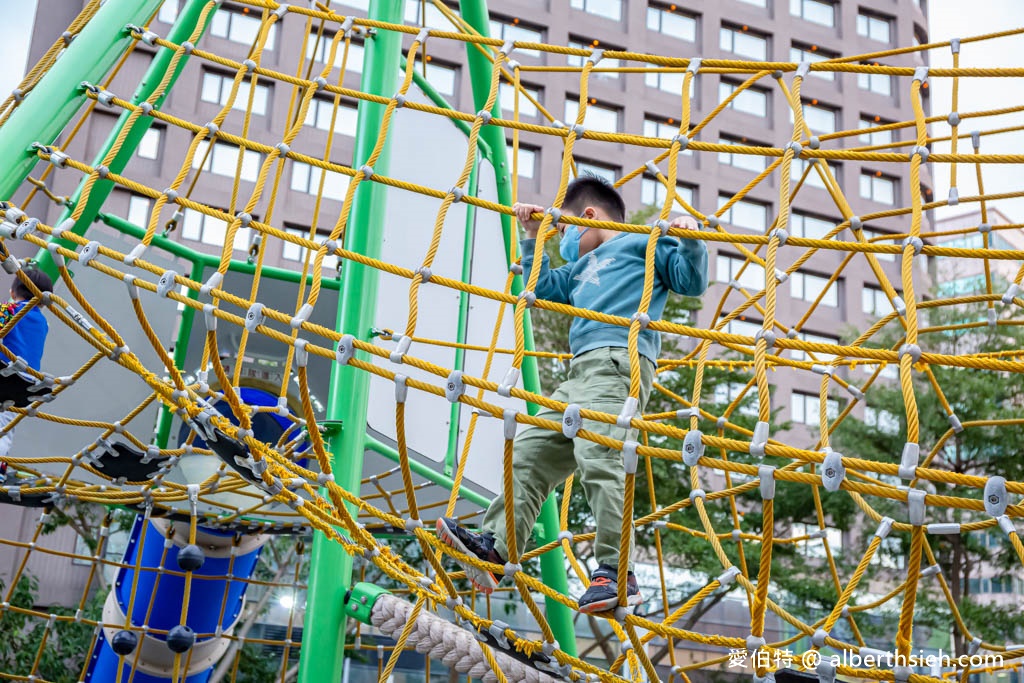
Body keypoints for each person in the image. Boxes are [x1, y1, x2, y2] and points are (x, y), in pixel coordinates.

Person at [437, 174, 708, 614]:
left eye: (562, 231)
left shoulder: (641, 244)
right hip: (578, 373)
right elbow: (540, 289)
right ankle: (497, 547)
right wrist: (532, 236)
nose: (562, 239)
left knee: (599, 458)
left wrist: (688, 238)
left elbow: (689, 281)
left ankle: (617, 573)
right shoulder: (577, 268)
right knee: (527, 453)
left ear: (587, 218)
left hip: (619, 364)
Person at [0, 265, 53, 483]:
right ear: (42, 301)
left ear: (13, 292)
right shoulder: (44, 323)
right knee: (5, 427)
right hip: (26, 386)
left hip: (4, 375)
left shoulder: (10, 310)